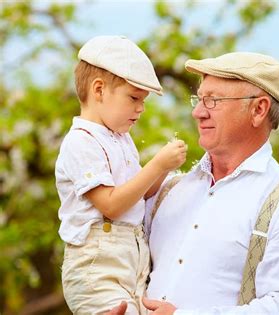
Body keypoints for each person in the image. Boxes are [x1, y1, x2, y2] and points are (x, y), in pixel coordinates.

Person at [109, 51, 279, 315]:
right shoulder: (167, 189)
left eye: (213, 101)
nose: (198, 113)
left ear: (258, 109)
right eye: (199, 99)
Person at [55, 35, 187, 314]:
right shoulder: (82, 141)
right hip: (97, 267)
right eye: (134, 98)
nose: (140, 108)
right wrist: (158, 165)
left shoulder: (121, 140)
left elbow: (139, 194)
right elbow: (112, 205)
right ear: (99, 90)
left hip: (131, 262)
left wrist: (175, 175)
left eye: (144, 101)